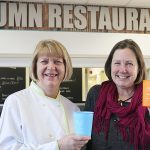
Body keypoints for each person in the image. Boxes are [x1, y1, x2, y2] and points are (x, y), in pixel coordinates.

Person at [0, 39, 90, 149]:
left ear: (66, 68)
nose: (51, 67)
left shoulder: (72, 109)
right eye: (44, 61)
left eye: (57, 61)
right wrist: (58, 146)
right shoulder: (15, 102)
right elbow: (7, 147)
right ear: (35, 67)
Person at [84, 39, 150, 150]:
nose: (123, 70)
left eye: (129, 64)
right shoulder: (96, 94)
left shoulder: (147, 95)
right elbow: (84, 140)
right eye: (117, 63)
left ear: (139, 68)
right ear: (110, 66)